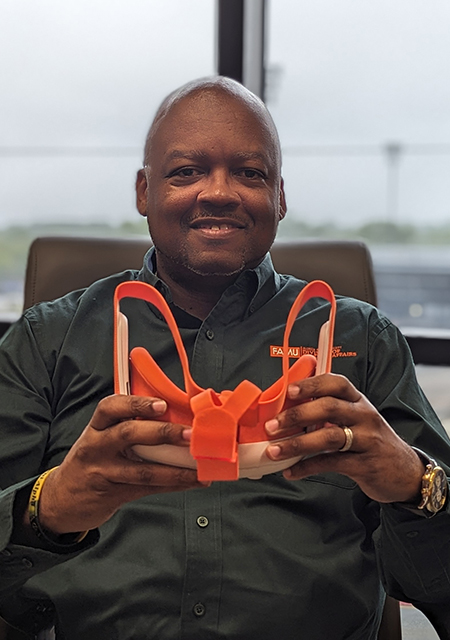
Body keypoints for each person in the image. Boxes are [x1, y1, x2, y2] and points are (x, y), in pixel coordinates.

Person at [0, 76, 449, 640]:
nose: (218, 192)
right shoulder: (51, 340)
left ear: (280, 197)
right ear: (144, 191)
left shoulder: (362, 340)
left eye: (250, 173)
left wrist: (414, 482)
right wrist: (50, 508)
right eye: (186, 171)